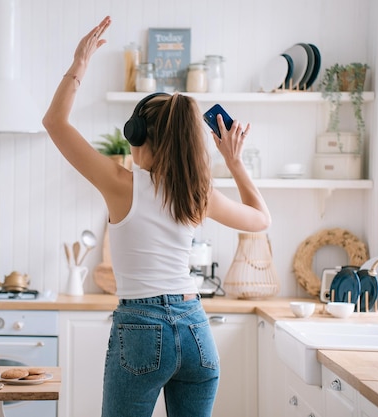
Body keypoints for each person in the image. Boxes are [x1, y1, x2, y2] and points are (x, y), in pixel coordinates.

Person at [42, 16, 271, 417]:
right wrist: (234, 162)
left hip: (141, 327)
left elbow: (55, 124)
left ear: (139, 134)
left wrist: (79, 63)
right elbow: (261, 219)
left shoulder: (121, 182)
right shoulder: (197, 194)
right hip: (196, 329)